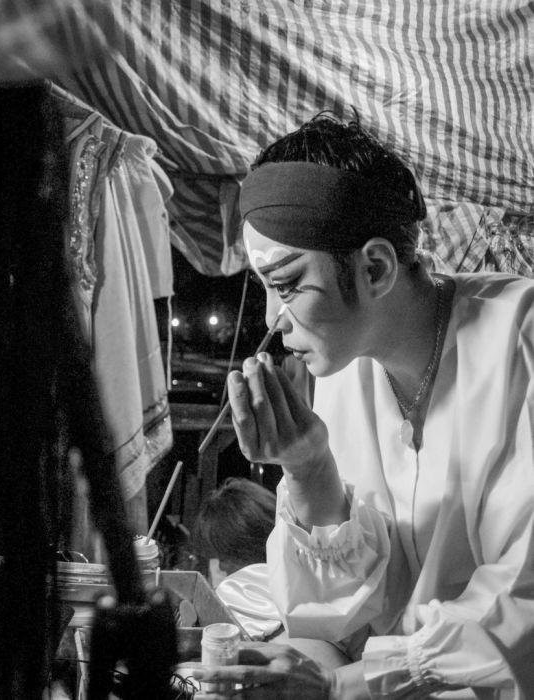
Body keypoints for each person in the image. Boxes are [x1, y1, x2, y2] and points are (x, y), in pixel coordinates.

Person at [192, 114, 534, 699]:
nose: (274, 319)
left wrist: (341, 685)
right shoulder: (346, 367)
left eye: (288, 284)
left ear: (374, 268)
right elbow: (343, 619)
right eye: (265, 287)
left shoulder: (519, 341)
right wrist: (309, 467)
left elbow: (522, 600)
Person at [192, 477, 283, 641]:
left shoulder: (236, 590)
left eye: (223, 558)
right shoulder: (307, 577)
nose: (221, 568)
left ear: (244, 548)